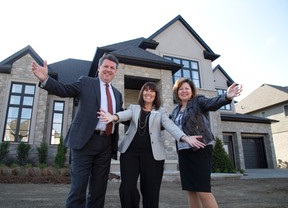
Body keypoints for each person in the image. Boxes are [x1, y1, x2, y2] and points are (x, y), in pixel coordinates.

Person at [31, 53, 123, 208]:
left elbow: (119, 116)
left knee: (99, 190)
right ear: (99, 68)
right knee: (78, 188)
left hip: (106, 144)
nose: (108, 70)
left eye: (112, 68)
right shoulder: (86, 82)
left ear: (116, 71)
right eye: (105, 66)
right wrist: (45, 79)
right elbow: (64, 90)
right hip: (84, 142)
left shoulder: (117, 95)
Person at [98, 82, 206, 208]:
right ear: (142, 93)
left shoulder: (161, 112)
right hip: (130, 154)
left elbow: (170, 126)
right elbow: (123, 115)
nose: (148, 93)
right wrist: (113, 117)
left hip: (153, 157)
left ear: (156, 95)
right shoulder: (134, 108)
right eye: (146, 90)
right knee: (127, 188)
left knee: (151, 191)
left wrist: (184, 137)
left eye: (152, 91)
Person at [170, 77, 243, 208]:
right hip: (183, 152)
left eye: (187, 88)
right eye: (181, 89)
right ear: (176, 92)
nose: (184, 91)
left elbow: (211, 103)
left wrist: (226, 96)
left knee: (203, 190)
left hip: (200, 149)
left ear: (192, 91)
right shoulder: (175, 111)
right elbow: (166, 124)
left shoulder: (198, 101)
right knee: (191, 190)